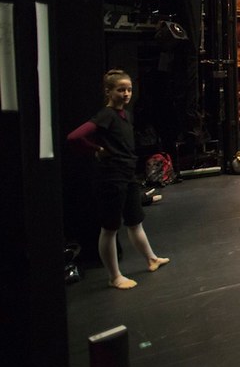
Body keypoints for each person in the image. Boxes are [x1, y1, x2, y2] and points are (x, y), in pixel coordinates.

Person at [67, 69, 169, 290]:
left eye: (129, 89)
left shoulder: (125, 115)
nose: (126, 94)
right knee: (110, 228)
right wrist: (96, 149)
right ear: (108, 91)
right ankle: (114, 276)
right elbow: (74, 137)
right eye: (121, 89)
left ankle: (151, 259)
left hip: (127, 175)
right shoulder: (106, 115)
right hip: (111, 178)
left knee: (135, 221)